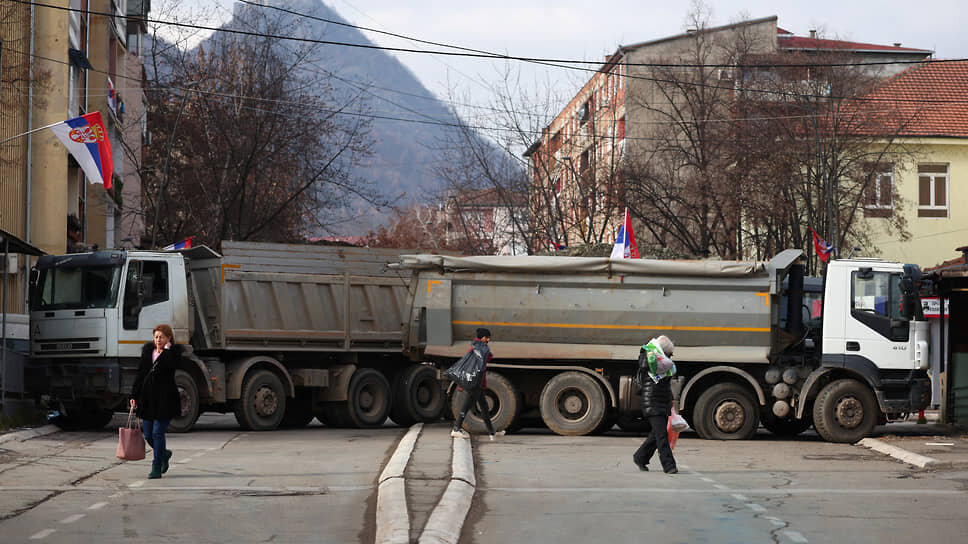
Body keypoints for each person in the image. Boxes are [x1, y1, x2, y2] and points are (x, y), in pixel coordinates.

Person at [130, 324, 182, 479]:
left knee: (158, 433)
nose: (158, 340)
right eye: (156, 337)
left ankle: (156, 466)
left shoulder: (173, 354)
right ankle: (164, 453)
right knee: (148, 435)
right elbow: (140, 374)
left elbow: (171, 366)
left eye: (162, 337)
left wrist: (166, 350)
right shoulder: (148, 352)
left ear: (168, 338)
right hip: (148, 399)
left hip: (165, 400)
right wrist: (134, 395)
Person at [632, 335, 678, 474]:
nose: (670, 356)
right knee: (662, 436)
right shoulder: (649, 361)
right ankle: (669, 465)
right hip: (652, 402)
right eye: (669, 353)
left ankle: (640, 457)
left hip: (662, 401)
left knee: (656, 435)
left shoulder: (663, 363)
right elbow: (647, 365)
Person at [451, 328, 505, 441]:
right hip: (474, 384)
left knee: (484, 408)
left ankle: (492, 433)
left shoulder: (479, 347)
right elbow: (471, 367)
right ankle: (456, 429)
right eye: (487, 337)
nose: (488, 339)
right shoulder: (477, 349)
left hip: (478, 384)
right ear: (482, 337)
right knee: (466, 406)